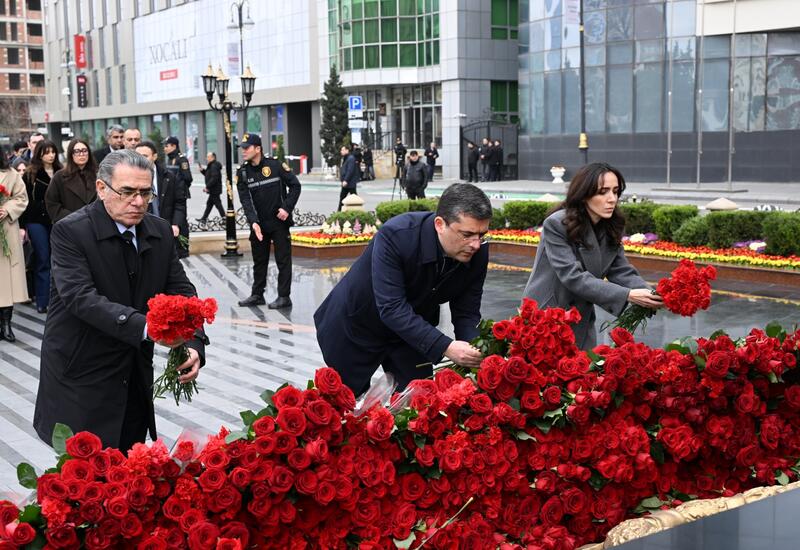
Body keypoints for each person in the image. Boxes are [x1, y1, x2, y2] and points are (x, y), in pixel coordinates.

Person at [33, 149, 207, 452]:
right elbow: (80, 297)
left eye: (145, 192)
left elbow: (181, 289)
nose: (138, 202)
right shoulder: (71, 232)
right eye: (127, 192)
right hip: (82, 375)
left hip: (133, 375)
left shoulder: (159, 230)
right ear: (102, 189)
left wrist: (193, 341)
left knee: (129, 476)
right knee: (82, 483)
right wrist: (149, 328)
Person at [314, 183, 491, 396]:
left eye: (481, 235)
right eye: (467, 234)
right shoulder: (397, 235)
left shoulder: (477, 252)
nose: (476, 244)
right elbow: (391, 308)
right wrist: (447, 347)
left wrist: (476, 354)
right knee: (348, 410)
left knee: (420, 406)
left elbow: (467, 312)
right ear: (440, 224)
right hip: (355, 327)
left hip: (411, 334)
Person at [522, 163, 663, 350]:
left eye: (615, 191)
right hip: (547, 318)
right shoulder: (557, 224)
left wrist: (652, 295)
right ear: (584, 194)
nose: (612, 199)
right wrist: (628, 295)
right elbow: (573, 277)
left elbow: (621, 270)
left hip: (581, 317)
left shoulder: (609, 226)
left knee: (583, 373)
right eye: (603, 192)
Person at [235, 133, 301, 310]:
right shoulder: (242, 172)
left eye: (247, 148)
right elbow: (245, 200)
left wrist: (287, 208)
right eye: (242, 148)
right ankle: (257, 295)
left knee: (283, 260)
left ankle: (284, 296)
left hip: (279, 223)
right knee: (259, 261)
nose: (244, 151)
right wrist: (253, 222)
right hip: (259, 225)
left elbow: (295, 186)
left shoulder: (275, 165)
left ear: (258, 149)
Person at [21, 140, 62, 314]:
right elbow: (25, 201)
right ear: (39, 153)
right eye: (46, 152)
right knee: (43, 258)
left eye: (53, 151)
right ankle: (42, 300)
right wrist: (23, 226)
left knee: (59, 260)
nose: (50, 155)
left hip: (58, 220)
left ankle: (59, 300)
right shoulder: (31, 173)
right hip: (36, 220)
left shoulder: (61, 172)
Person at [135, 141, 187, 252]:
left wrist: (176, 224)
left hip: (166, 229)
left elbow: (180, 202)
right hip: (142, 230)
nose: (140, 160)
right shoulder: (130, 178)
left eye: (145, 156)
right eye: (137, 156)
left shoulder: (169, 176)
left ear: (154, 156)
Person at [0, 154, 28, 342]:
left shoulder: (11, 174)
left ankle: (7, 324)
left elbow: (21, 197)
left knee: (6, 282)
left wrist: (6, 209)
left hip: (6, 230)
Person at [45, 138, 98, 224]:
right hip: (70, 224)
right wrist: (73, 217)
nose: (81, 154)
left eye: (84, 150)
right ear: (71, 154)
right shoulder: (60, 176)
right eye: (77, 151)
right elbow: (52, 203)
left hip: (95, 223)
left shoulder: (98, 174)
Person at [163, 136, 192, 257]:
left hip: (180, 194)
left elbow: (188, 178)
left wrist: (180, 188)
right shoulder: (170, 159)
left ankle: (183, 247)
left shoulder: (181, 159)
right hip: (171, 194)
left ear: (174, 146)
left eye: (167, 146)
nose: (165, 148)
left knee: (181, 221)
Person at [198, 152, 225, 223]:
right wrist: (202, 171)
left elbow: (214, 178)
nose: (206, 158)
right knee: (210, 204)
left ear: (213, 157)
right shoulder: (211, 165)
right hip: (214, 189)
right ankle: (204, 219)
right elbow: (208, 175)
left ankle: (225, 219)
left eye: (208, 157)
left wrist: (207, 186)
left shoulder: (214, 166)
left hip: (215, 189)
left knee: (218, 204)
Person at [339, 145, 360, 211]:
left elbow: (350, 170)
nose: (341, 151)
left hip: (350, 183)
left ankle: (358, 211)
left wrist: (345, 180)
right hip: (347, 183)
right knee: (342, 198)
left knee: (354, 198)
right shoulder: (346, 158)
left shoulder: (351, 158)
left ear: (347, 150)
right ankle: (339, 212)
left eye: (342, 150)